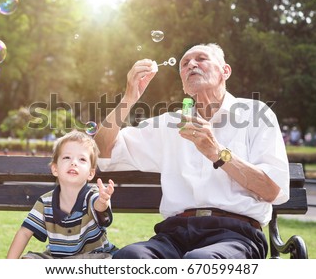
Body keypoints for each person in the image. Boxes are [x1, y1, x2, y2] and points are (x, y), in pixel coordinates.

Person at [95, 43, 289, 259]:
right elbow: (103, 149)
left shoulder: (256, 114)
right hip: (174, 234)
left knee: (199, 262)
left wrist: (217, 152)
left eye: (201, 59)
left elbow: (272, 190)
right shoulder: (169, 125)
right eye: (185, 64)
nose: (191, 65)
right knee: (130, 257)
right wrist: (129, 97)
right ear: (184, 86)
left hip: (236, 235)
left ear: (225, 71)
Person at [7, 130, 117, 259]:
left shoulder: (92, 196)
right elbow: (25, 233)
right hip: (57, 258)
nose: (73, 162)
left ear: (90, 173)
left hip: (92, 256)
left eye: (82, 159)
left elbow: (99, 206)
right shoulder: (45, 202)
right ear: (55, 169)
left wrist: (103, 201)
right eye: (67, 157)